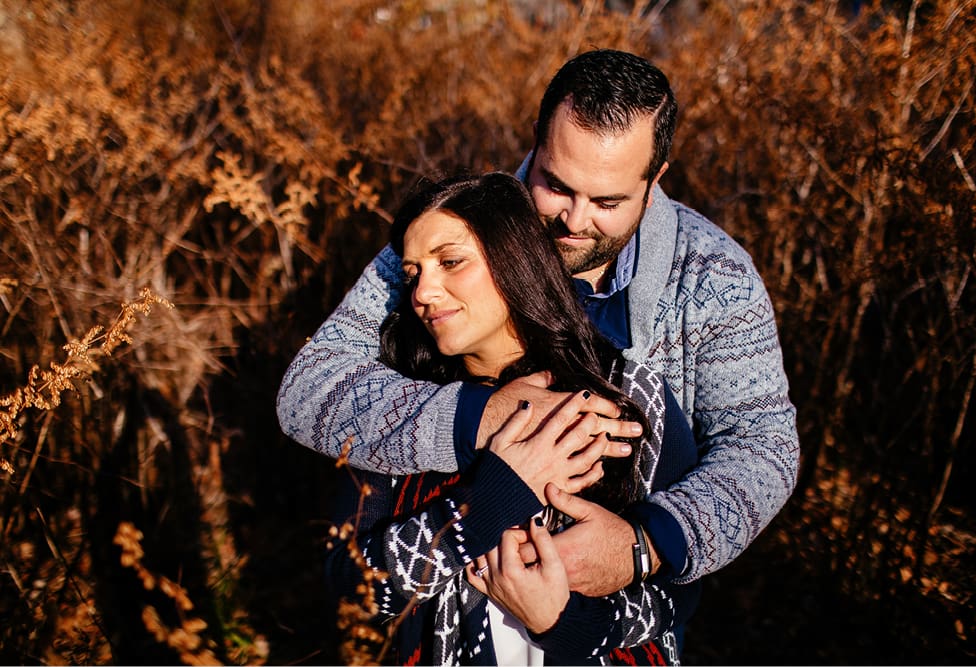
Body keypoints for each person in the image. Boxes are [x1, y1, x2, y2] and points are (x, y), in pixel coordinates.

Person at [279, 48, 800, 657]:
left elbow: (763, 447)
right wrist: (479, 416)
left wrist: (647, 543)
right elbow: (310, 386)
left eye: (608, 202)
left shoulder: (715, 280)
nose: (574, 220)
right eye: (555, 184)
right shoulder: (459, 233)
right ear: (537, 141)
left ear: (655, 178)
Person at [328, 172, 696, 665]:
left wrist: (563, 621)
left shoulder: (629, 394)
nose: (423, 293)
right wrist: (489, 502)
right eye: (414, 273)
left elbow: (681, 591)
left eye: (450, 262)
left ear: (513, 258)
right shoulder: (403, 405)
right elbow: (354, 596)